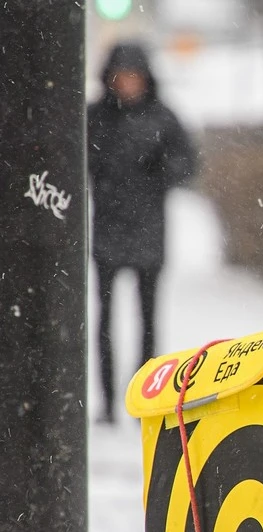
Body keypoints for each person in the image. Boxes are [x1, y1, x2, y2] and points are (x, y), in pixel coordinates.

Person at [88, 42, 196, 423]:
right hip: (107, 231)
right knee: (104, 321)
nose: (128, 83)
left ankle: (143, 402)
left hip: (149, 232)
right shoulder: (96, 118)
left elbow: (187, 164)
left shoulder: (163, 118)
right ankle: (107, 403)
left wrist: (160, 169)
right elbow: (78, 162)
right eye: (122, 76)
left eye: (134, 76)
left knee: (148, 321)